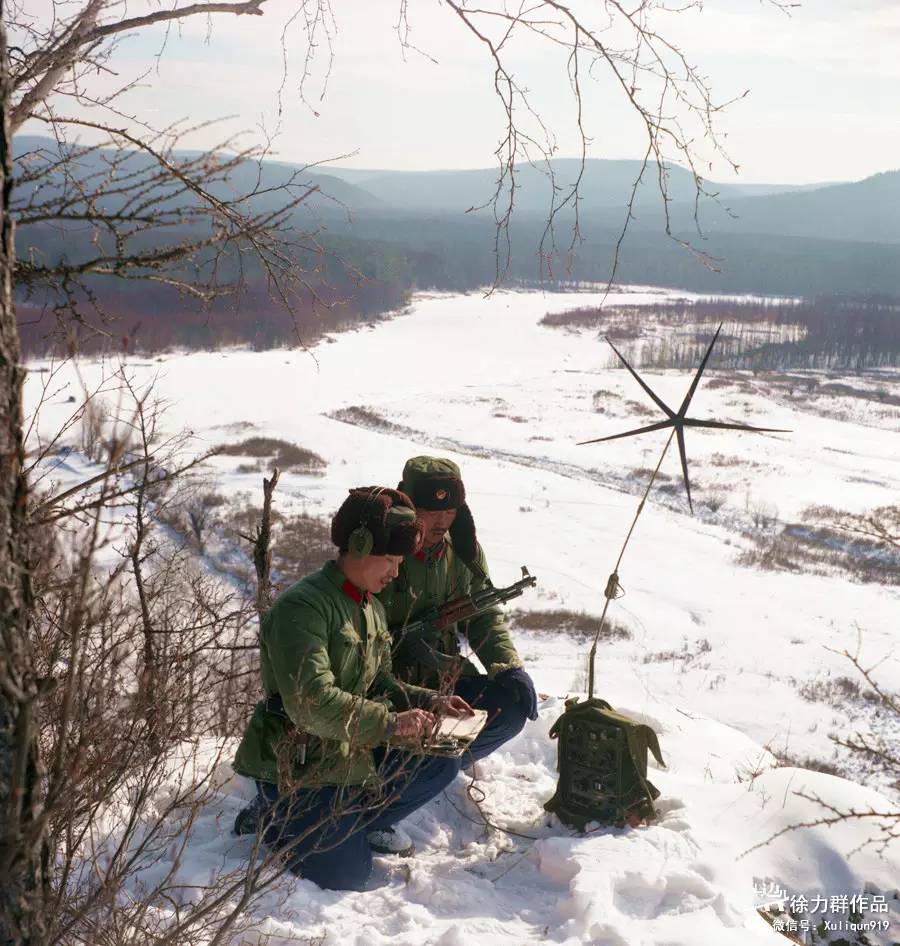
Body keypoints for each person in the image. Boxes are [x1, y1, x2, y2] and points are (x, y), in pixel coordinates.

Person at [232, 486, 474, 891]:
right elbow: (311, 703)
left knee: (440, 762)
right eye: (392, 559)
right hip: (300, 763)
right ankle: (270, 819)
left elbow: (378, 682)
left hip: (349, 748)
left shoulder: (369, 606)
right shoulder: (303, 608)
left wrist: (428, 701)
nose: (397, 572)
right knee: (349, 874)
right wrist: (393, 724)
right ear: (359, 547)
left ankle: (353, 820)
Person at [378, 456, 538, 769]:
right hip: (387, 687)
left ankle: (439, 767)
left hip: (444, 679)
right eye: (431, 511)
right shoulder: (382, 550)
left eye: (450, 512)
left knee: (510, 709)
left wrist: (507, 666)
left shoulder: (463, 551)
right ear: (408, 507)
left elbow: (482, 614)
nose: (441, 522)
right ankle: (417, 770)